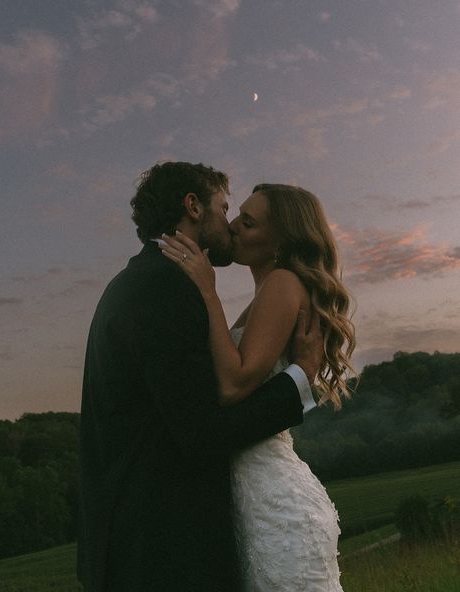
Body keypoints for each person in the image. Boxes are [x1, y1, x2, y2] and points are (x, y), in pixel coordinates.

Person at [77, 163, 324, 592]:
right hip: (162, 549)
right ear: (193, 207)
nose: (229, 225)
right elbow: (201, 431)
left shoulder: (134, 282)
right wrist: (299, 381)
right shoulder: (168, 288)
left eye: (243, 219)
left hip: (139, 541)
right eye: (225, 209)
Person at [161, 182, 356, 591]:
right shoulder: (267, 291)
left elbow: (233, 386)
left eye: (247, 223)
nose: (232, 227)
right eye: (237, 215)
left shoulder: (283, 283)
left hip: (276, 511)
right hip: (253, 503)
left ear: (280, 242)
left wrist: (207, 289)